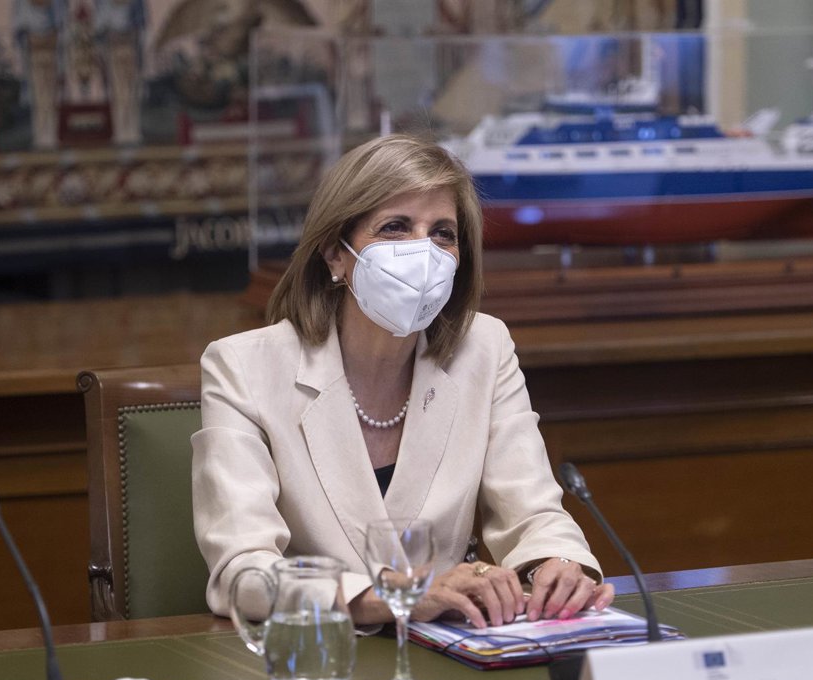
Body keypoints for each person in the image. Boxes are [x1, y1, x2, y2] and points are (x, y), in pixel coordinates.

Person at [192, 134, 615, 628]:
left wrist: (555, 564)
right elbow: (243, 573)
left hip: (450, 650)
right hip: (317, 653)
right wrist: (393, 597)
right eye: (395, 227)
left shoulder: (485, 347)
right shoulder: (243, 366)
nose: (423, 251)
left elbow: (533, 514)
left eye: (442, 233)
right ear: (334, 253)